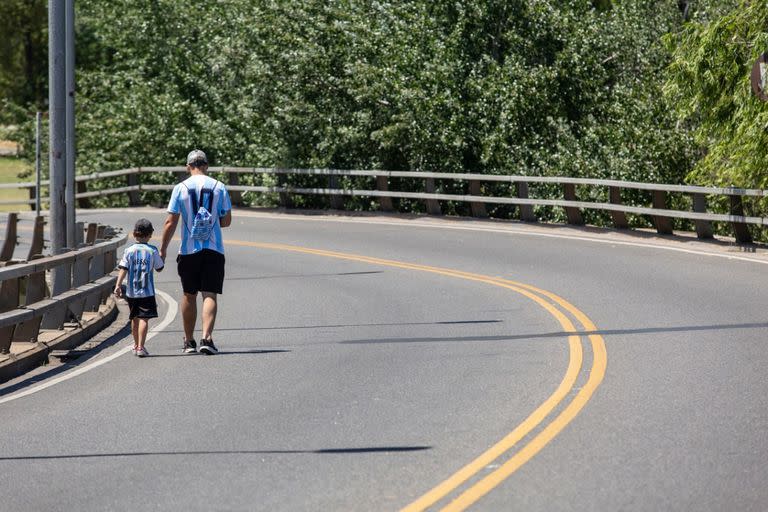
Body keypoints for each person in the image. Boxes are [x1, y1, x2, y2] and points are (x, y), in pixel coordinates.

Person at [160, 149, 232, 355]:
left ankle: (189, 341)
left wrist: (163, 249)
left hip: (189, 250)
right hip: (213, 249)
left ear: (188, 166)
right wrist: (210, 224)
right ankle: (207, 339)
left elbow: (170, 221)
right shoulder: (219, 187)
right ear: (206, 166)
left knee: (189, 295)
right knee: (210, 294)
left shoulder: (180, 188)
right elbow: (226, 221)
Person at [114, 219, 165, 357]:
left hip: (132, 292)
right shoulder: (152, 250)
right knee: (144, 319)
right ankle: (141, 347)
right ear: (149, 234)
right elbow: (159, 268)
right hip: (147, 292)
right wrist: (162, 256)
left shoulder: (129, 251)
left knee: (134, 318)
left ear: (135, 234)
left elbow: (123, 269)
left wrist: (118, 285)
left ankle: (136, 345)